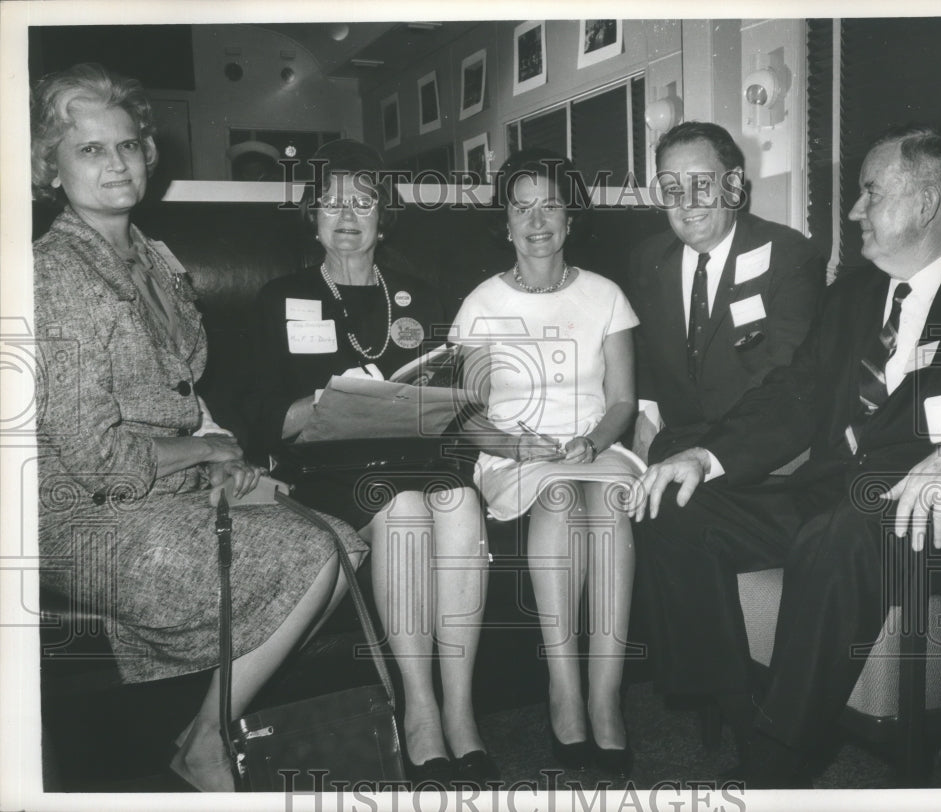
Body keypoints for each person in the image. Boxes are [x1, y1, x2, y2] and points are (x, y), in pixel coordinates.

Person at [31, 63, 368, 793]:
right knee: (311, 557)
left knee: (341, 542)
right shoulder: (53, 274)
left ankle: (203, 730)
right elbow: (100, 459)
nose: (116, 164)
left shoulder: (152, 257)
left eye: (126, 146)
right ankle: (207, 745)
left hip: (169, 488)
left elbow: (184, 391)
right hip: (84, 518)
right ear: (49, 165)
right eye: (90, 150)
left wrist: (224, 459)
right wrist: (205, 451)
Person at [629, 125, 941, 787]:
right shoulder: (853, 294)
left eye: (870, 194)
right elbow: (795, 396)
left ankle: (777, 764)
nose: (853, 211)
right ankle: (742, 709)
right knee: (675, 506)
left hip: (927, 514)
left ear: (928, 204)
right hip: (833, 495)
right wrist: (706, 457)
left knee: (837, 530)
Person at [244, 139, 494, 786]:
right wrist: (327, 401)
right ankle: (419, 707)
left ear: (385, 219)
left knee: (460, 500)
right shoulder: (282, 296)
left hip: (415, 453)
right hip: (329, 468)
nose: (348, 215)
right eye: (332, 203)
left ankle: (463, 708)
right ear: (313, 218)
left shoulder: (421, 295)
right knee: (404, 505)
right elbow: (263, 421)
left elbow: (448, 401)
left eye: (364, 202)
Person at [450, 149, 640, 777]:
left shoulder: (605, 295)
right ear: (505, 222)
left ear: (569, 218)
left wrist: (595, 438)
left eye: (551, 204)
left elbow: (622, 401)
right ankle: (564, 689)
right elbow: (468, 416)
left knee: (608, 500)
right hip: (515, 452)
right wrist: (515, 446)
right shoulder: (479, 304)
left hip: (594, 441)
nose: (537, 219)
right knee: (558, 496)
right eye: (522, 205)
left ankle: (605, 696)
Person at [628, 121, 825, 462]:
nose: (685, 203)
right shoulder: (648, 259)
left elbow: (786, 372)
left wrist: (710, 455)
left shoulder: (787, 254)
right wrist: (646, 417)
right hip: (674, 444)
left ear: (733, 186)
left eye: (701, 184)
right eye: (671, 188)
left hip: (756, 451)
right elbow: (643, 350)